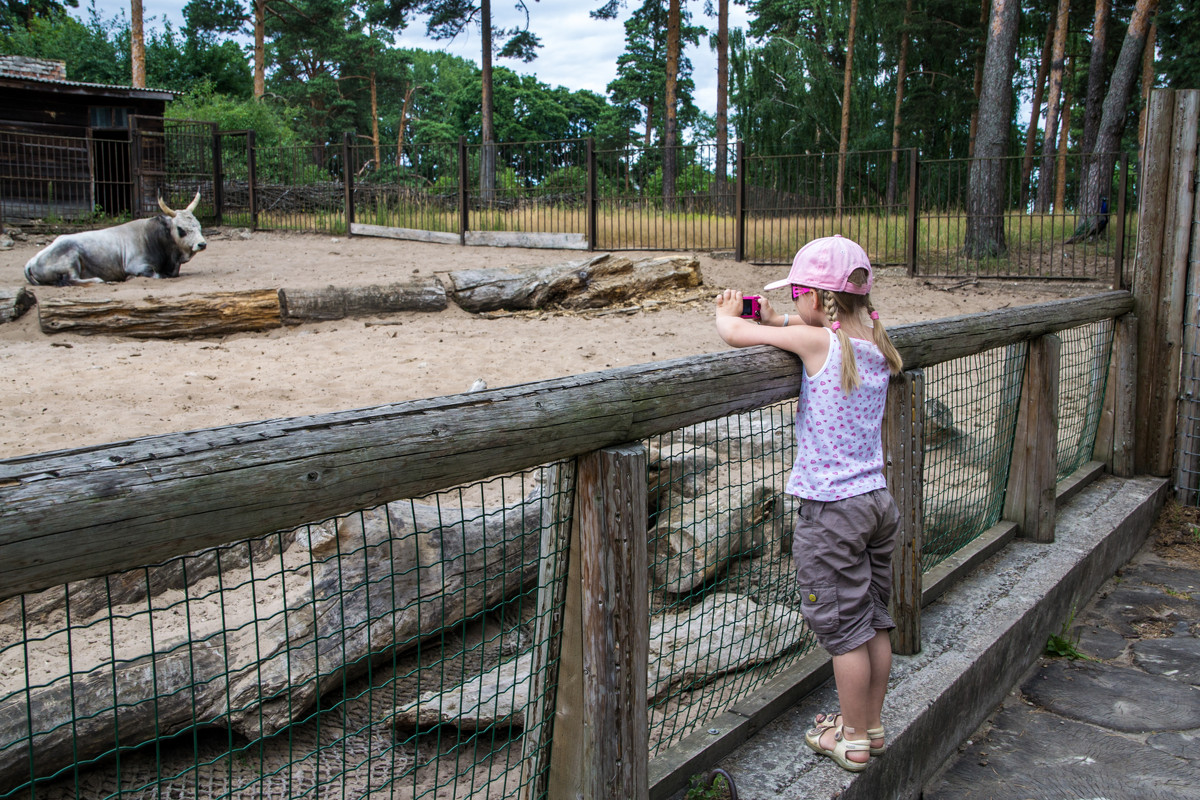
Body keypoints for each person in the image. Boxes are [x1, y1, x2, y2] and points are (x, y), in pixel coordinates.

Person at [713, 234, 904, 772]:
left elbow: (733, 334)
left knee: (844, 634)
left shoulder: (821, 344)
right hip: (875, 503)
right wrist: (779, 319)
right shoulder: (873, 340)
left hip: (832, 510)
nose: (795, 303)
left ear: (819, 301)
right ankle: (869, 726)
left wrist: (732, 311)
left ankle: (852, 741)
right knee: (874, 621)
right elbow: (808, 329)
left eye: (798, 293)